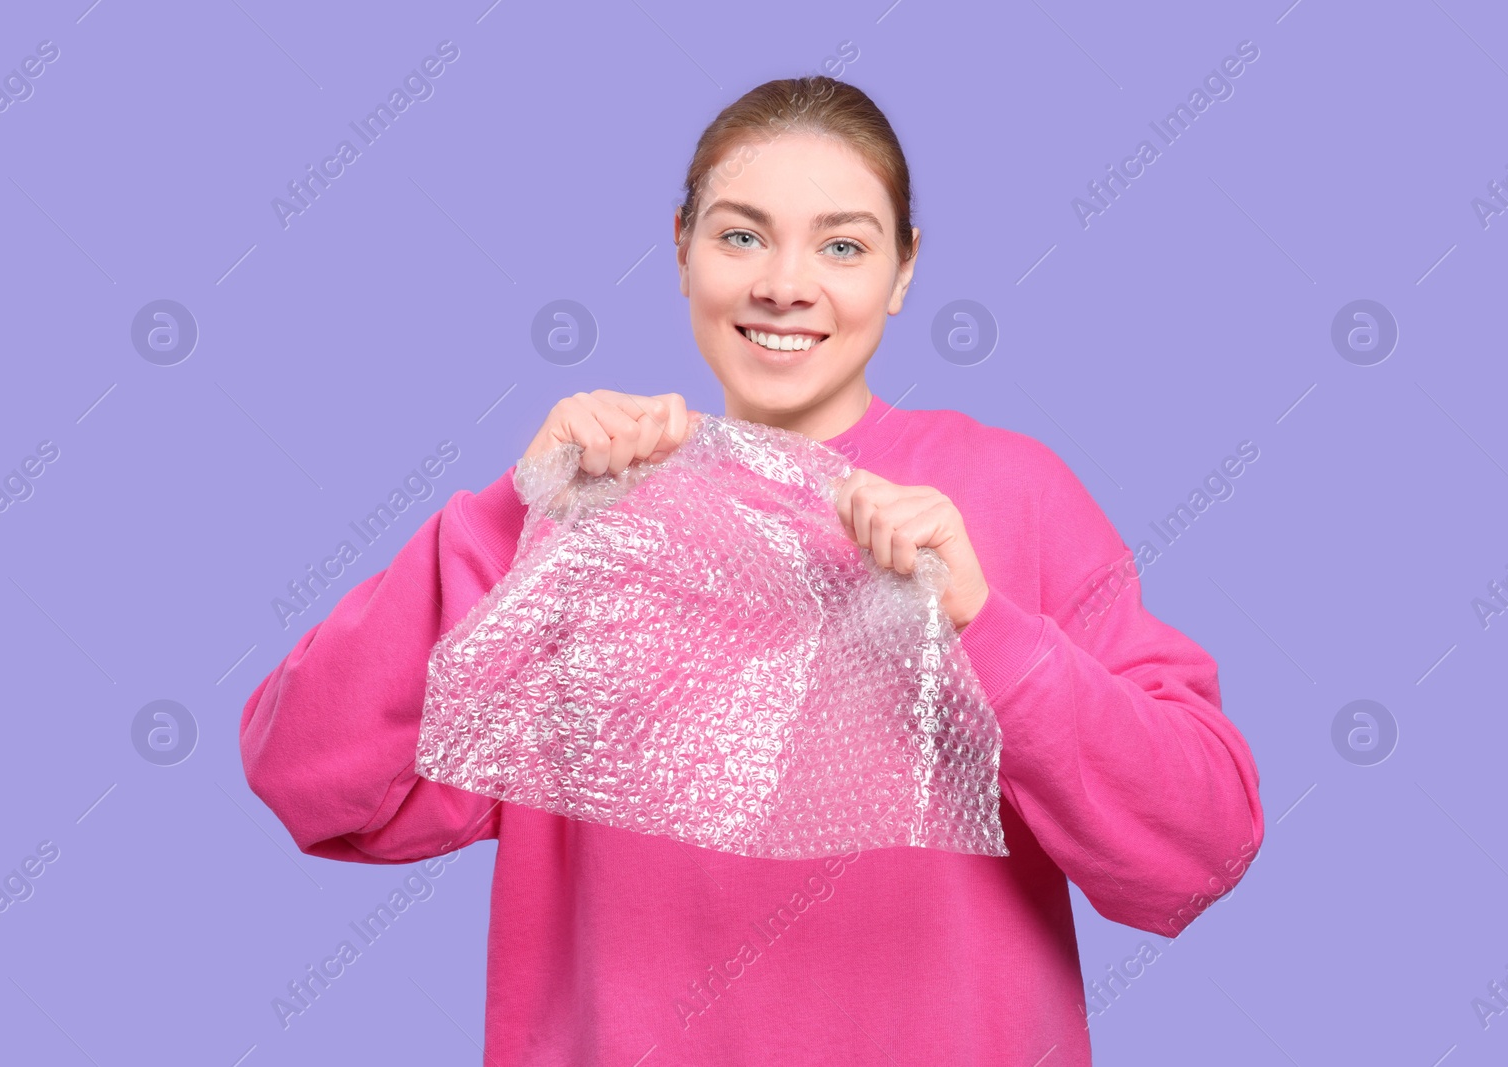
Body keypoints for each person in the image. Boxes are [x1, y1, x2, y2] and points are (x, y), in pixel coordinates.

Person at [240, 74, 1263, 1066]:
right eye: (740, 234)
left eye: (843, 245)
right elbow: (308, 776)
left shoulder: (1009, 497)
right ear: (679, 250)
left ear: (904, 270)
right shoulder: (592, 517)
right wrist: (512, 515)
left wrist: (985, 624)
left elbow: (1198, 850)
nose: (784, 282)